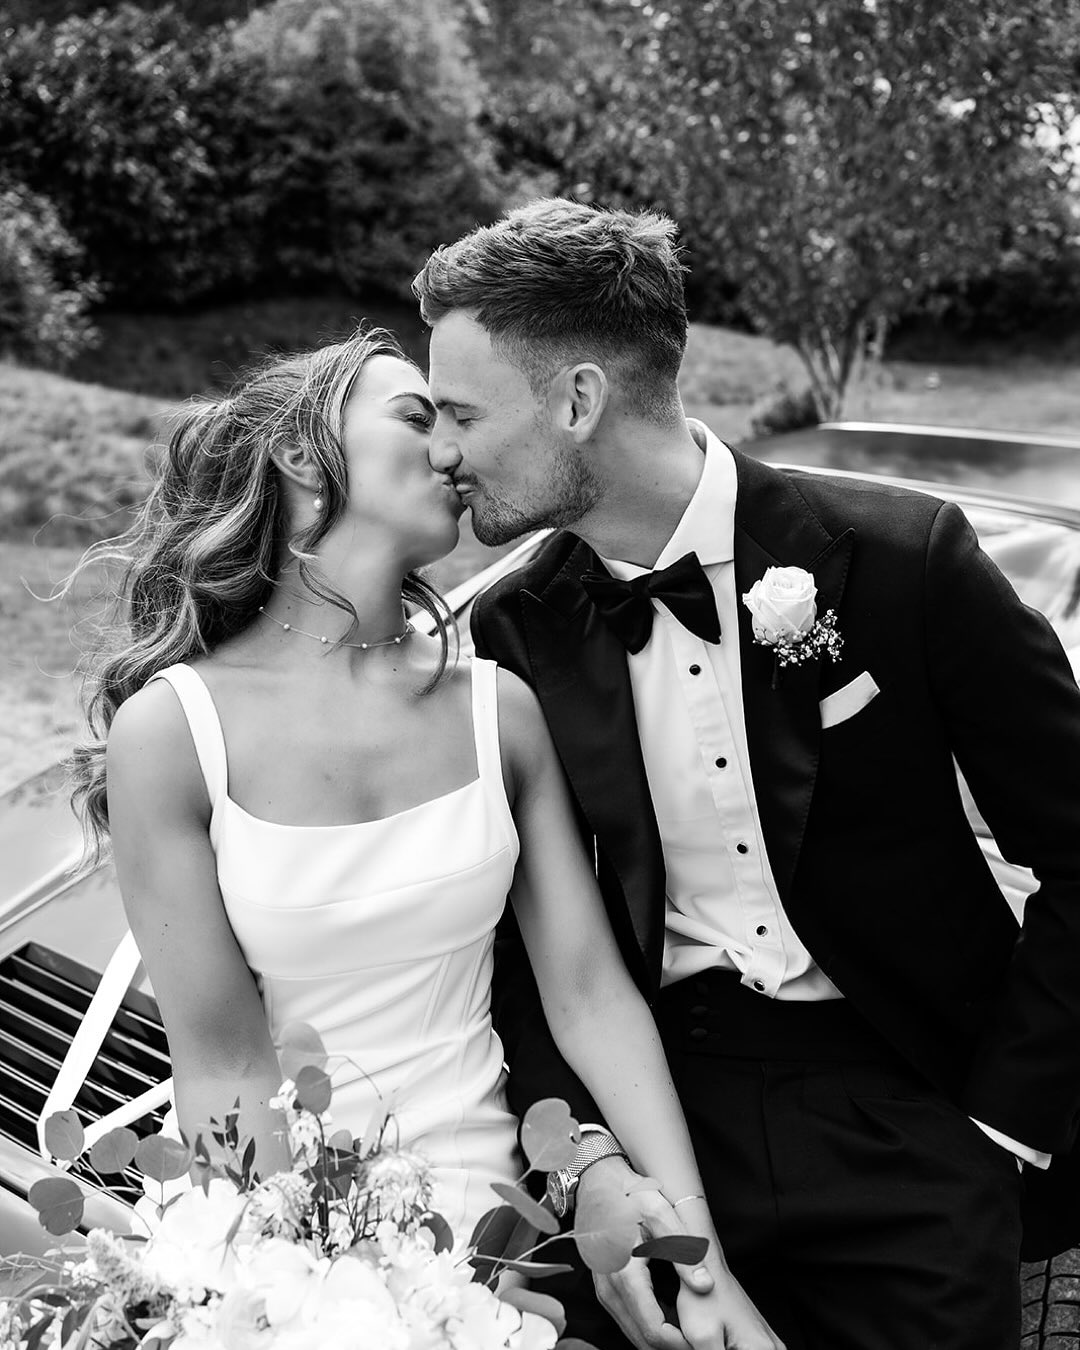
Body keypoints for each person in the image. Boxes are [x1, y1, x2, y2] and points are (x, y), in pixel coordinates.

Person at [412, 198, 1080, 1350]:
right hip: (666, 1113)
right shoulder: (514, 629)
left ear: (579, 400)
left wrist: (998, 1134)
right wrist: (587, 1160)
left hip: (911, 1115)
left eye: (465, 413)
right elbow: (517, 944)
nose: (439, 449)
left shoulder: (905, 560)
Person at [67, 326, 782, 1349]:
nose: (454, 450)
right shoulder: (173, 736)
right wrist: (335, 1298)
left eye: (457, 419)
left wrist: (695, 1254)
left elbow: (589, 1001)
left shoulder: (501, 712)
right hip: (307, 1263)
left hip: (519, 1234)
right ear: (305, 457)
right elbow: (224, 1073)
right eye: (417, 416)